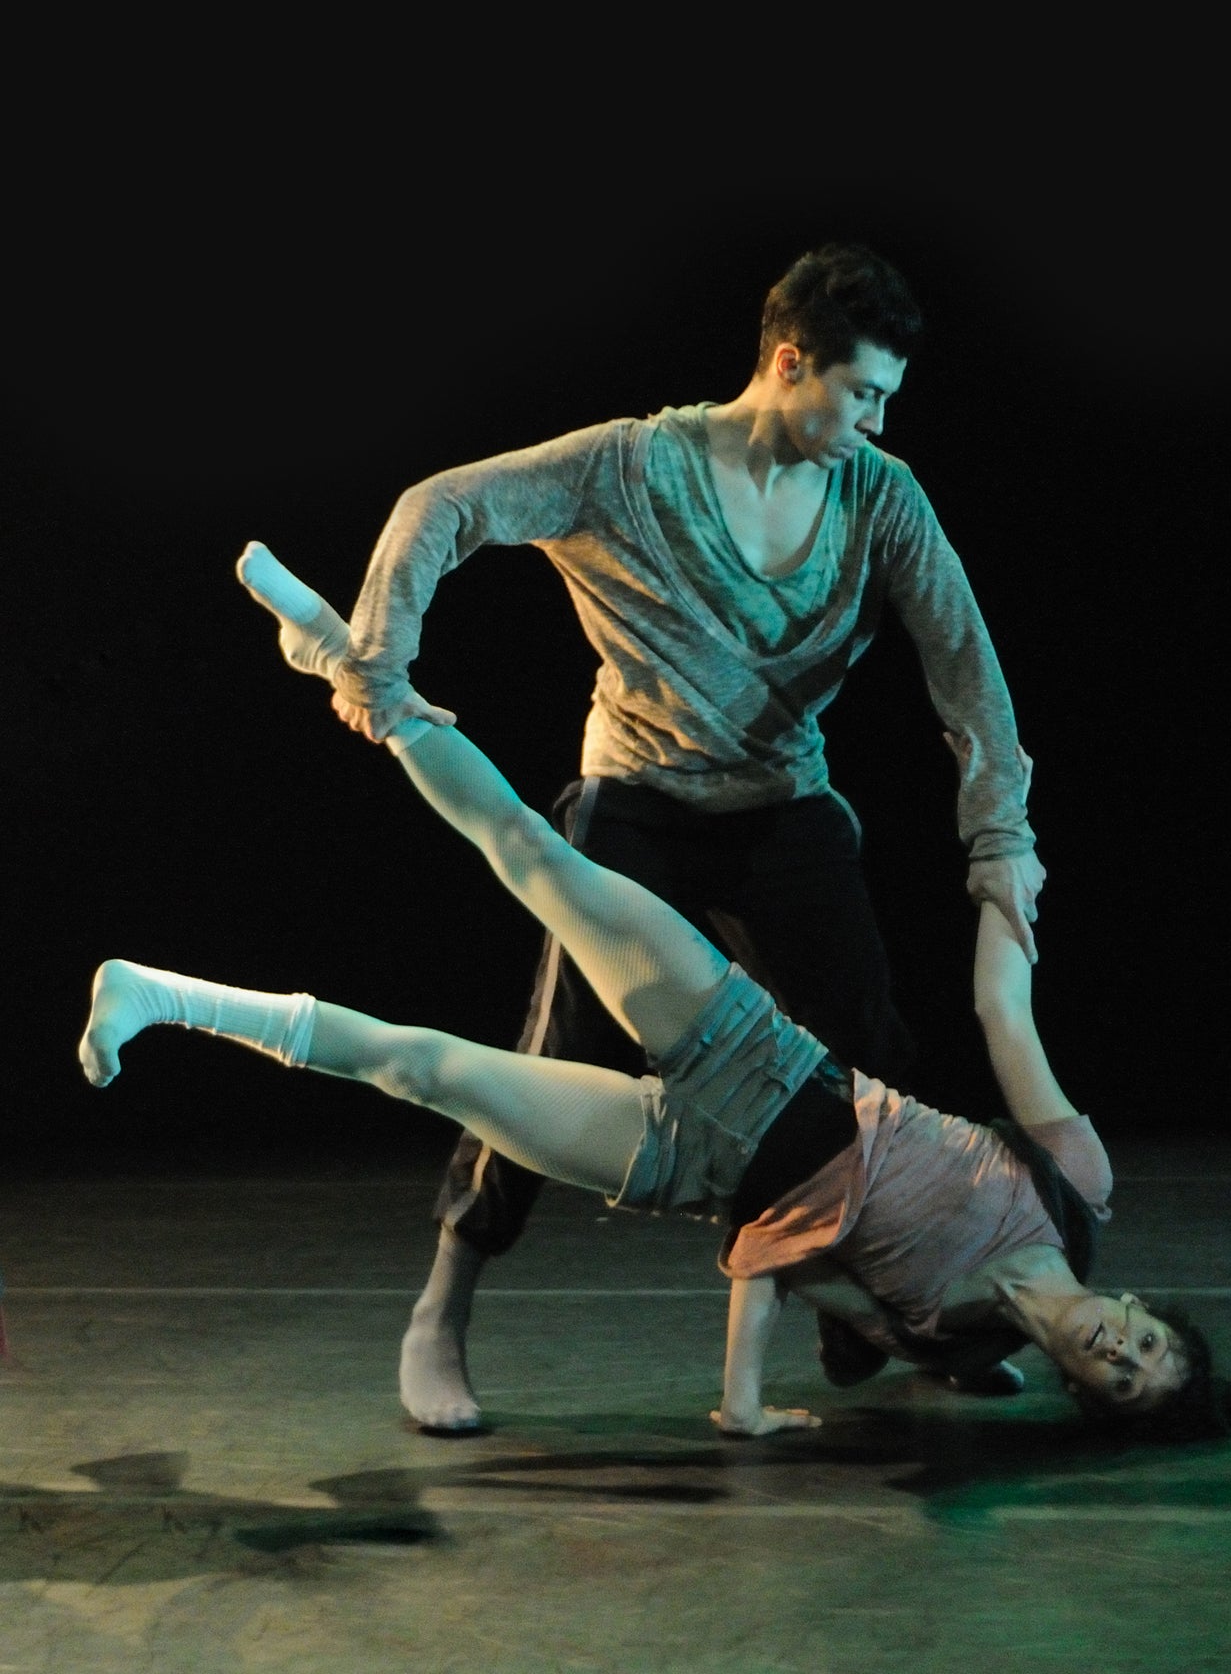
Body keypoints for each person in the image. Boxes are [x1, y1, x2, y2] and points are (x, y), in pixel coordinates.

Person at [79, 553, 1231, 1444]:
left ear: (1090, 1394)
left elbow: (778, 1257)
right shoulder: (1072, 1192)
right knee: (535, 850)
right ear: (1137, 1302)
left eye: (1123, 1376)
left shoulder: (951, 1336)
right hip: (764, 1062)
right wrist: (1009, 857)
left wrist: (740, 1402)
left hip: (698, 1165)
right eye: (1144, 1338)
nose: (1119, 1347)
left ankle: (155, 992)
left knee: (429, 1069)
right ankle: (344, 654)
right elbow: (1004, 1013)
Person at [285, 242, 1047, 1432]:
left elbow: (969, 674)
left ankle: (889, 1312)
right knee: (561, 1046)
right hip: (636, 796)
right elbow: (440, 504)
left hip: (783, 805)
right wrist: (382, 648)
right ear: (789, 362)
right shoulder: (629, 468)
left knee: (872, 1062)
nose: (878, 418)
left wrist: (998, 833)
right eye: (862, 392)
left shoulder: (879, 495)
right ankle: (444, 1301)